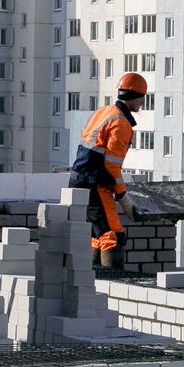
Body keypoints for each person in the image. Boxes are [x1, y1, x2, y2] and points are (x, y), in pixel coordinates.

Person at [69, 71, 147, 270]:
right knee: (113, 235)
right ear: (135, 96)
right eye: (142, 98)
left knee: (98, 233)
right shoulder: (121, 123)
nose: (141, 104)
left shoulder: (104, 111)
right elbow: (112, 166)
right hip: (95, 183)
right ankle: (112, 284)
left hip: (81, 180)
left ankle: (92, 283)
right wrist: (123, 198)